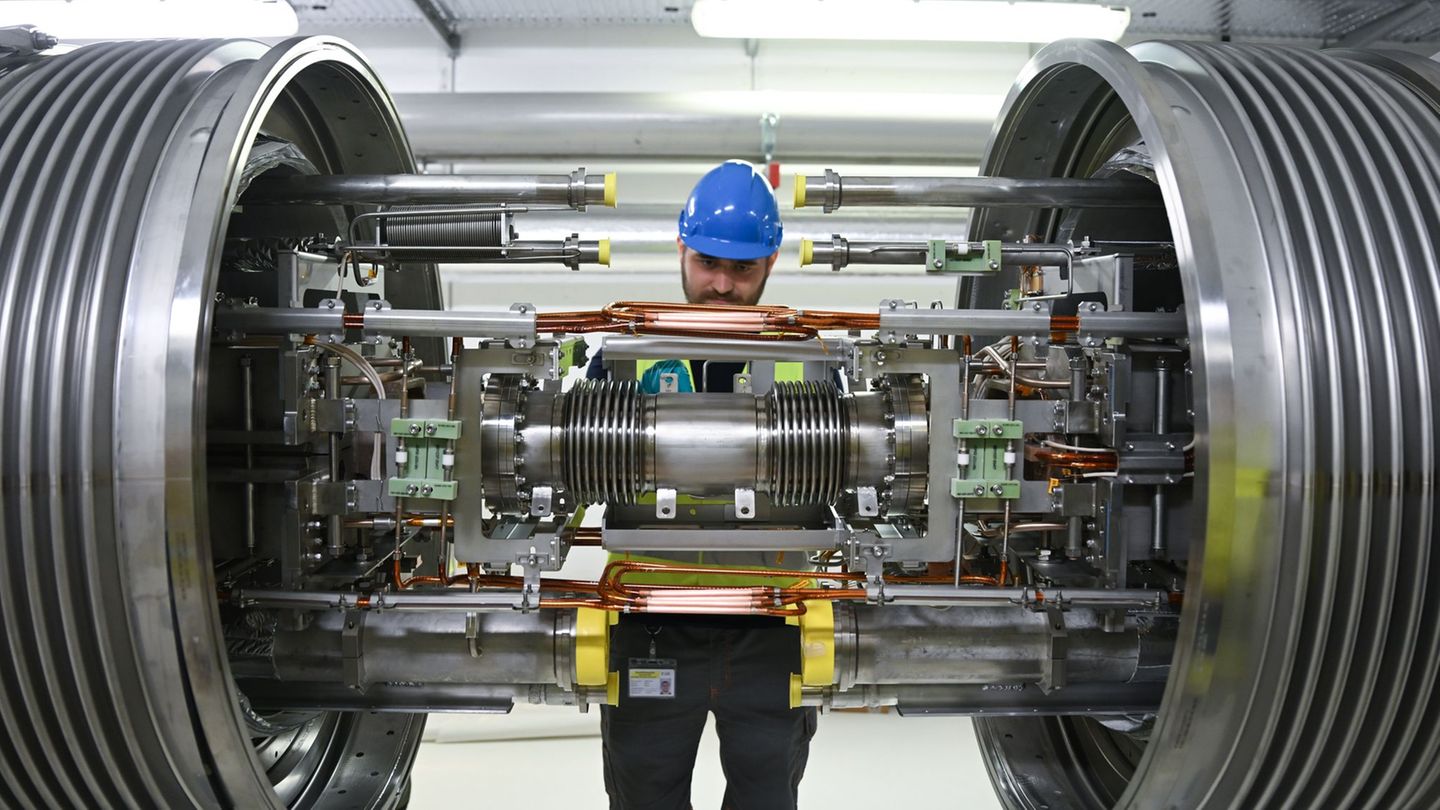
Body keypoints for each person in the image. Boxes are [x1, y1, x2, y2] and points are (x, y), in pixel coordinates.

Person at [586, 160, 819, 810]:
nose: (721, 284)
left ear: (770, 263)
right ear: (681, 249)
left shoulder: (808, 360)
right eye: (708, 263)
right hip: (653, 619)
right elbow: (572, 465)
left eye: (741, 269)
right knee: (644, 798)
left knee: (766, 798)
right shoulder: (626, 356)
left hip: (770, 623)